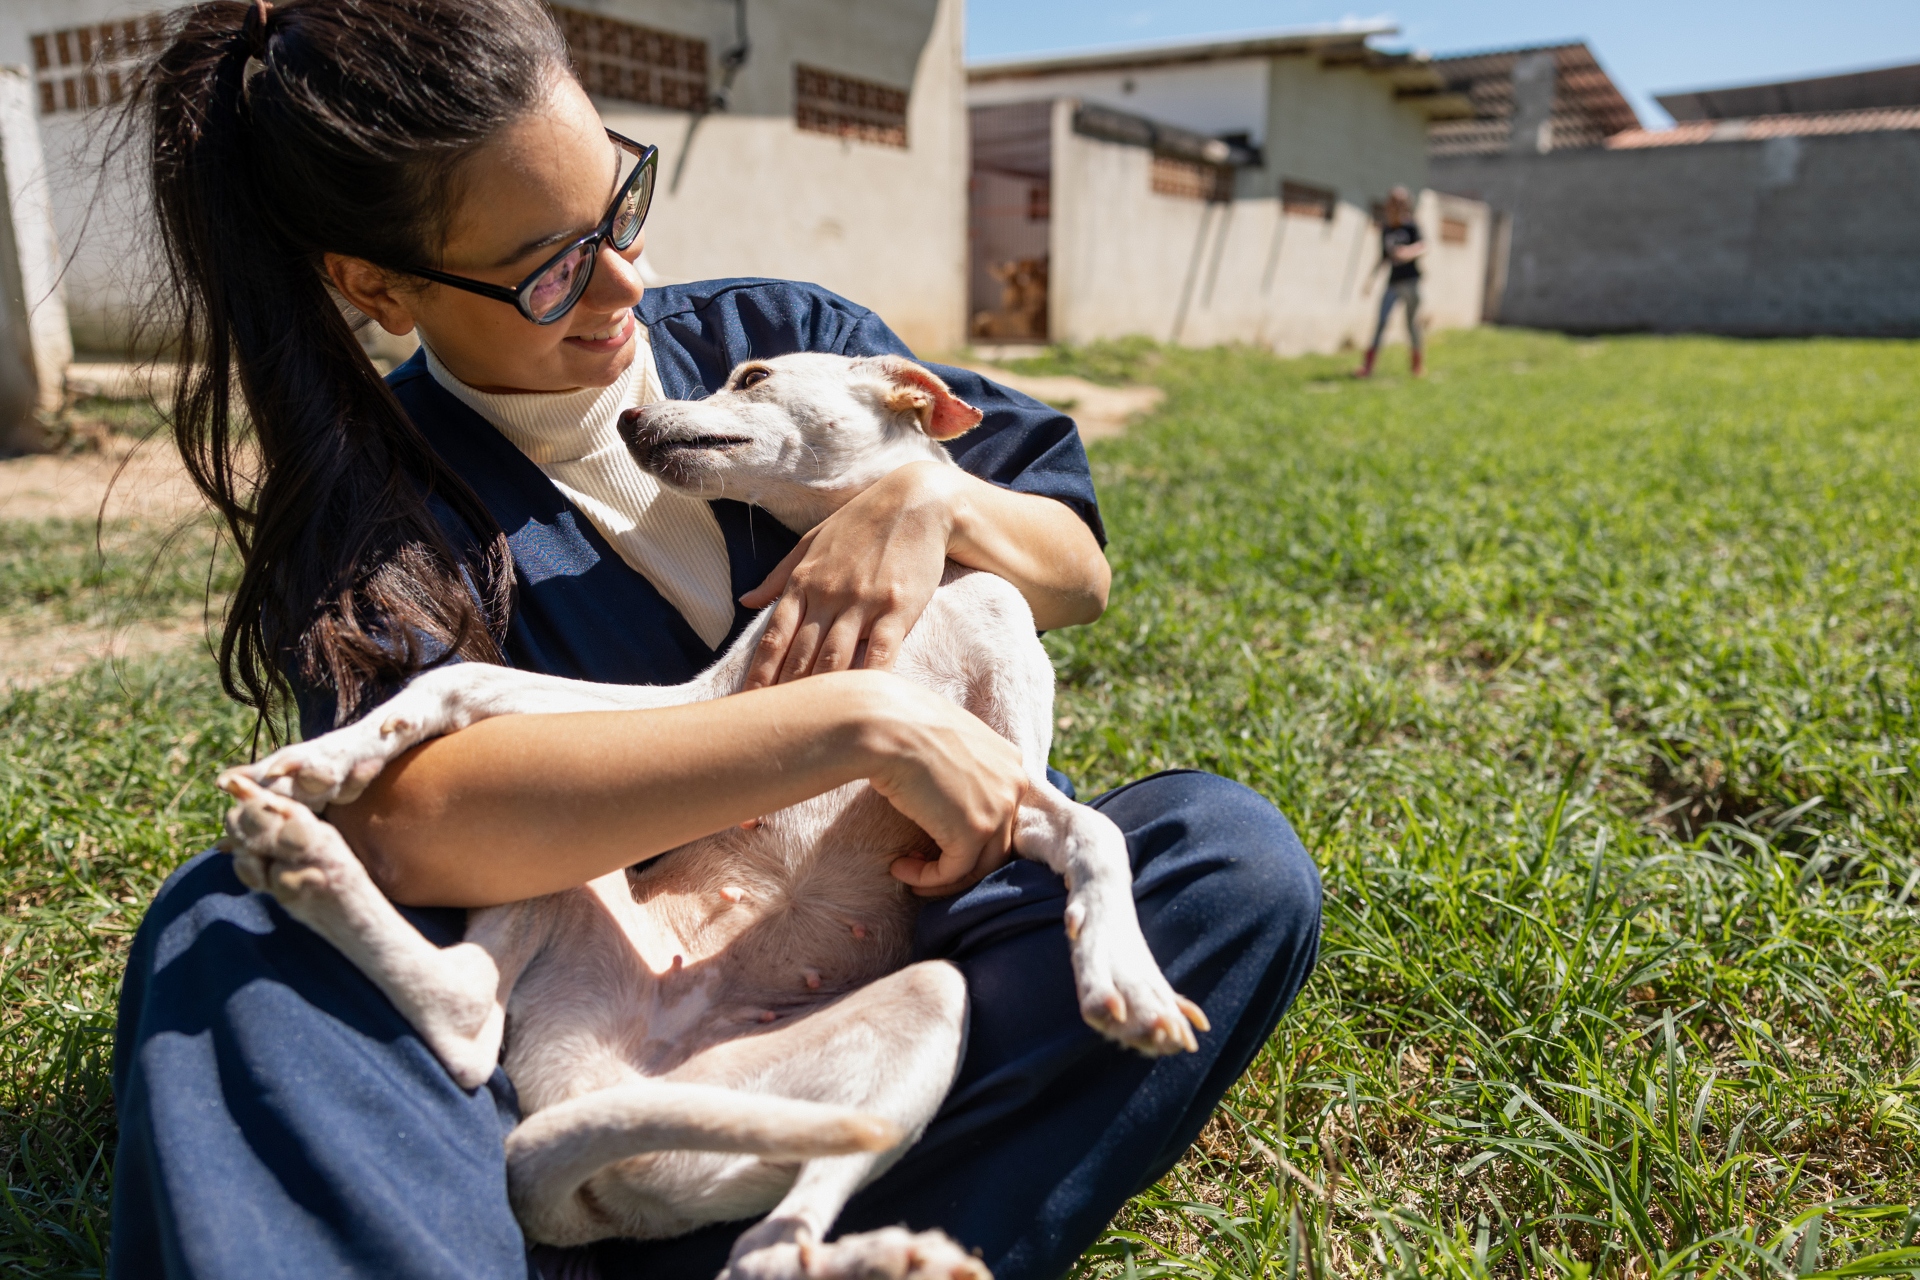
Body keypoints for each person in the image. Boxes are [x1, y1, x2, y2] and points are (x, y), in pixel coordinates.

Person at [108, 2, 1323, 1277]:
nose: (625, 284)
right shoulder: (377, 499)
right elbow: (415, 822)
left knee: (1224, 860)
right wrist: (855, 724)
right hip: (591, 1027)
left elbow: (1076, 568)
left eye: (619, 209)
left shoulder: (773, 340)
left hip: (885, 958)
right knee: (225, 932)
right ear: (376, 283)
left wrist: (928, 495)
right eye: (548, 268)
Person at [1354, 186, 1427, 378]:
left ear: (1406, 205)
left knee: (1411, 325)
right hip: (1393, 284)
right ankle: (1368, 367)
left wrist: (1408, 252)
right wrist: (1370, 279)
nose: (1396, 205)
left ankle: (1417, 366)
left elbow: (1423, 246)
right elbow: (1383, 257)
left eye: (1400, 202)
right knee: (1381, 323)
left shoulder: (1411, 226)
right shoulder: (1386, 229)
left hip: (1411, 283)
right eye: (1393, 201)